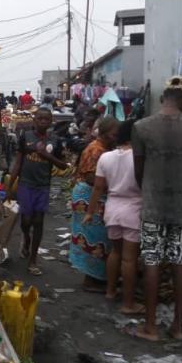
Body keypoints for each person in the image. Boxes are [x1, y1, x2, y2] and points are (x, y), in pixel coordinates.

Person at [132, 76, 182, 342]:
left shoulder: (141, 127)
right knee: (179, 262)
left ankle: (150, 326)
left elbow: (138, 172)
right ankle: (177, 327)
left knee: (151, 261)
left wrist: (150, 189)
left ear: (163, 98)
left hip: (153, 205)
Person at [84, 119, 143, 314]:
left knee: (115, 252)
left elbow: (99, 187)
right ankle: (128, 303)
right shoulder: (139, 157)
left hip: (112, 208)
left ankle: (110, 291)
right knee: (129, 259)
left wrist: (90, 212)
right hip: (133, 209)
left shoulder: (106, 157)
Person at [8, 107, 69, 276]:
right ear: (34, 120)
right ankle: (26, 238)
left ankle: (33, 260)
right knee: (26, 220)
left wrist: (45, 155)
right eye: (40, 118)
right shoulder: (25, 137)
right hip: (25, 184)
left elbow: (63, 165)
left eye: (46, 119)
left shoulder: (55, 140)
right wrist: (9, 186)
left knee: (39, 221)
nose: (43, 121)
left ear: (51, 122)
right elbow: (18, 163)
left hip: (43, 186)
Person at [69, 117, 119, 293]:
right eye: (113, 134)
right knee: (95, 238)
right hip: (89, 196)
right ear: (105, 133)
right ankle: (91, 279)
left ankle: (96, 277)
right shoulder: (96, 150)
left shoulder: (104, 149)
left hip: (91, 196)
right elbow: (92, 178)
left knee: (96, 236)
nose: (116, 137)